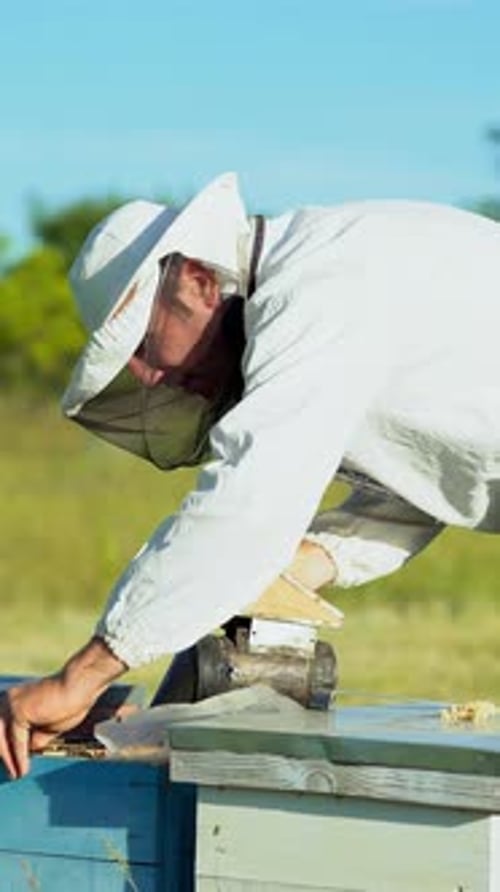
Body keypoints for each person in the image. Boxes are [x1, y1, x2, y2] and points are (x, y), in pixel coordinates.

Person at [2, 171, 500, 779]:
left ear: (197, 280)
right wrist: (295, 567)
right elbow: (427, 481)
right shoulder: (331, 277)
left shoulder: (316, 289)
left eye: (146, 344)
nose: (153, 377)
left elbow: (248, 504)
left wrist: (82, 675)